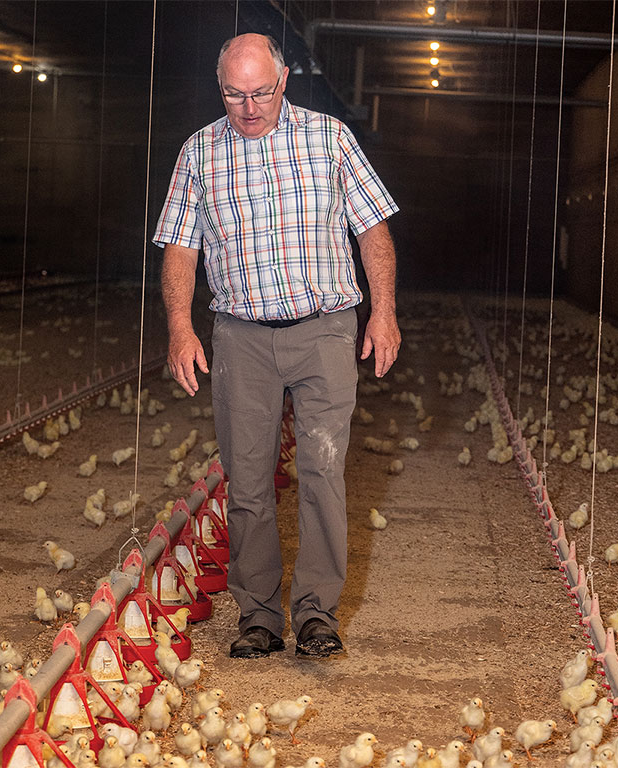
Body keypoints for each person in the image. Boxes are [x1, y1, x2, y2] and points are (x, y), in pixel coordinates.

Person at [152, 33, 401, 658]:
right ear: (221, 89)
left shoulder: (329, 139)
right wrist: (180, 328)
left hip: (324, 328)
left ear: (284, 80)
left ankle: (317, 614)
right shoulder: (200, 152)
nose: (250, 107)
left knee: (322, 470)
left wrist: (385, 313)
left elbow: (372, 228)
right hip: (241, 336)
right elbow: (181, 247)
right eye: (236, 95)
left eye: (261, 92)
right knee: (249, 479)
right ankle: (258, 615)